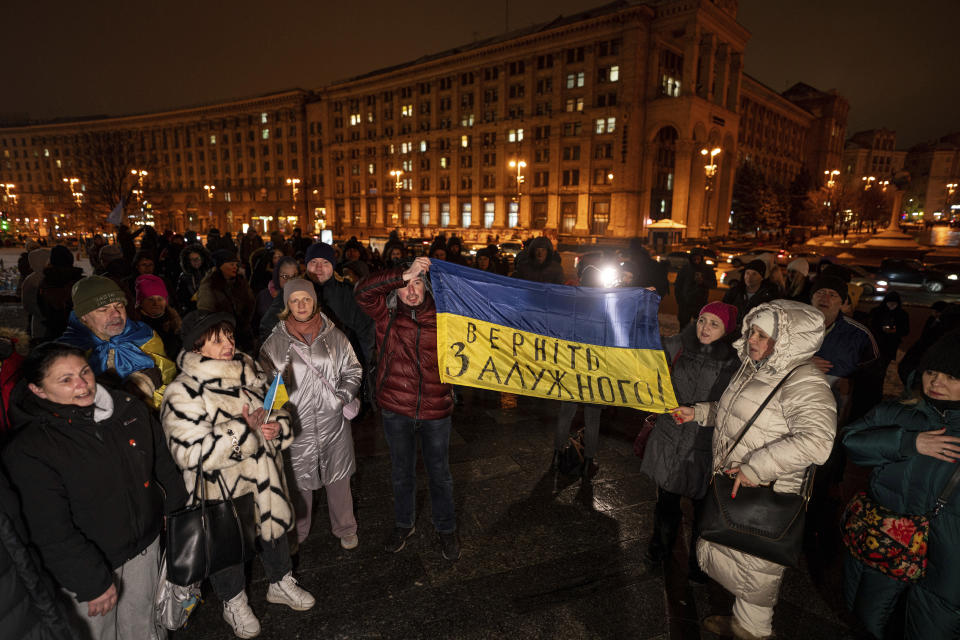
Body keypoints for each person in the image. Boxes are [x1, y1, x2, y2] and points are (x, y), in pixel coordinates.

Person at [674, 300, 837, 640]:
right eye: (752, 332)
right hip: (738, 483)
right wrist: (700, 413)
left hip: (766, 491)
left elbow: (817, 442)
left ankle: (753, 632)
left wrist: (756, 467)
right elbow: (733, 409)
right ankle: (741, 622)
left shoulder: (804, 380)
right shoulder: (754, 367)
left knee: (757, 573)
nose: (752, 340)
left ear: (787, 340)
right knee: (743, 568)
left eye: (763, 335)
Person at [3, 342, 187, 640]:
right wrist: (90, 580)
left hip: (144, 548)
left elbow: (161, 463)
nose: (82, 384)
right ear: (37, 390)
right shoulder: (30, 448)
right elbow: (48, 528)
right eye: (65, 380)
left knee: (144, 627)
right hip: (92, 565)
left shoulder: (126, 408)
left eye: (84, 372)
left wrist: (174, 512)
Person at [161, 311, 315, 639]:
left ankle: (281, 582)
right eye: (217, 339)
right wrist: (241, 431)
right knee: (226, 549)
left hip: (264, 478)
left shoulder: (250, 368)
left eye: (229, 336)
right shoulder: (182, 392)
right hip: (220, 489)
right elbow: (187, 453)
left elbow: (278, 409)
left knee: (273, 535)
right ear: (197, 346)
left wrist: (277, 426)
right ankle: (234, 602)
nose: (228, 343)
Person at [842, 333, 960, 639]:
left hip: (948, 555)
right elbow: (850, 441)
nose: (936, 382)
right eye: (931, 372)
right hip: (889, 538)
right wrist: (908, 442)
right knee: (867, 617)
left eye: (951, 376)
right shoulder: (898, 412)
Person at [355, 257, 459, 561]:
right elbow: (362, 292)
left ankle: (446, 528)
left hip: (436, 408)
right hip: (395, 408)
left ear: (427, 287)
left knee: (439, 473)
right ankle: (404, 524)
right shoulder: (384, 313)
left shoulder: (445, 316)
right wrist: (403, 274)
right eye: (405, 286)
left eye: (417, 283)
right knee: (402, 472)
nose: (411, 291)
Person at [259, 279, 362, 550]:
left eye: (306, 299)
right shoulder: (274, 343)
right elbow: (270, 386)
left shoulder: (335, 336)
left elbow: (353, 370)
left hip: (333, 422)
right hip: (297, 423)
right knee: (299, 481)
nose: (301, 305)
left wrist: (340, 398)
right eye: (295, 300)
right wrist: (277, 416)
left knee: (338, 479)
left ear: (314, 301)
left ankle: (346, 527)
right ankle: (298, 531)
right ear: (287, 305)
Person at [640, 302, 740, 579]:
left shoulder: (736, 362)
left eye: (714, 324)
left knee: (703, 511)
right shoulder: (678, 345)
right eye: (702, 320)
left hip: (705, 447)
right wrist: (643, 309)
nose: (704, 328)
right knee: (666, 505)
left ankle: (698, 567)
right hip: (671, 439)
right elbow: (644, 345)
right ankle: (658, 552)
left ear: (727, 329)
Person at [58, 275, 176, 408]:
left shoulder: (144, 336)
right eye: (103, 309)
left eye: (119, 306)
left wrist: (148, 383)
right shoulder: (64, 353)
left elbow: (170, 385)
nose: (116, 314)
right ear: (84, 316)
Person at [260, 242, 375, 369]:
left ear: (333, 265)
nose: (319, 268)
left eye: (325, 262)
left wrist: (366, 367)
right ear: (306, 264)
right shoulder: (291, 290)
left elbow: (366, 332)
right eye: (314, 262)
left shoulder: (348, 292)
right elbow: (269, 326)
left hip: (342, 368)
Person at [197, 248, 256, 352]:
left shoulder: (241, 281)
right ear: (220, 266)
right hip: (222, 334)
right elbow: (206, 310)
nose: (235, 267)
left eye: (236, 264)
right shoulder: (210, 284)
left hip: (243, 333)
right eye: (231, 264)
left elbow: (251, 302)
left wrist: (246, 321)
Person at [130, 274, 182, 360]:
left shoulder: (174, 322)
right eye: (150, 299)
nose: (156, 304)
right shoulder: (134, 326)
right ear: (141, 302)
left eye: (160, 299)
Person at [721, 259, 779, 325]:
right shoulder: (734, 292)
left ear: (762, 277)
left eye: (754, 274)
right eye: (747, 273)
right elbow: (723, 311)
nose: (749, 277)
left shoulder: (769, 296)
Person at [868, 291, 910, 379]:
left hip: (890, 345)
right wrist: (881, 329)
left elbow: (906, 330)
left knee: (883, 367)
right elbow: (870, 326)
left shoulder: (902, 314)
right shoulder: (877, 311)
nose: (891, 306)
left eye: (894, 304)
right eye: (889, 303)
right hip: (876, 343)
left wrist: (895, 331)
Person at [254, 256, 298, 335]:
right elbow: (256, 326)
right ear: (277, 276)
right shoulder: (263, 296)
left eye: (294, 276)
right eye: (285, 276)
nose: (289, 281)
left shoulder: (303, 297)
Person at [674, 253, 717, 328]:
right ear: (691, 259)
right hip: (685, 303)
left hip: (700, 303)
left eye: (698, 259)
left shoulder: (707, 269)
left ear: (701, 258)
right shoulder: (685, 269)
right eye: (694, 259)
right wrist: (680, 301)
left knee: (699, 327)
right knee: (683, 326)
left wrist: (702, 282)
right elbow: (678, 285)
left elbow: (714, 285)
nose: (696, 261)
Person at [21, 247, 51, 343]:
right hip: (40, 319)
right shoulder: (32, 280)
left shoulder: (49, 276)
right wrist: (42, 313)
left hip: (41, 318)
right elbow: (28, 302)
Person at [175, 242, 212, 315]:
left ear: (202, 258)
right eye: (191, 259)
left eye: (197, 259)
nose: (195, 262)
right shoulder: (184, 277)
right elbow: (181, 296)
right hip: (192, 312)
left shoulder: (210, 274)